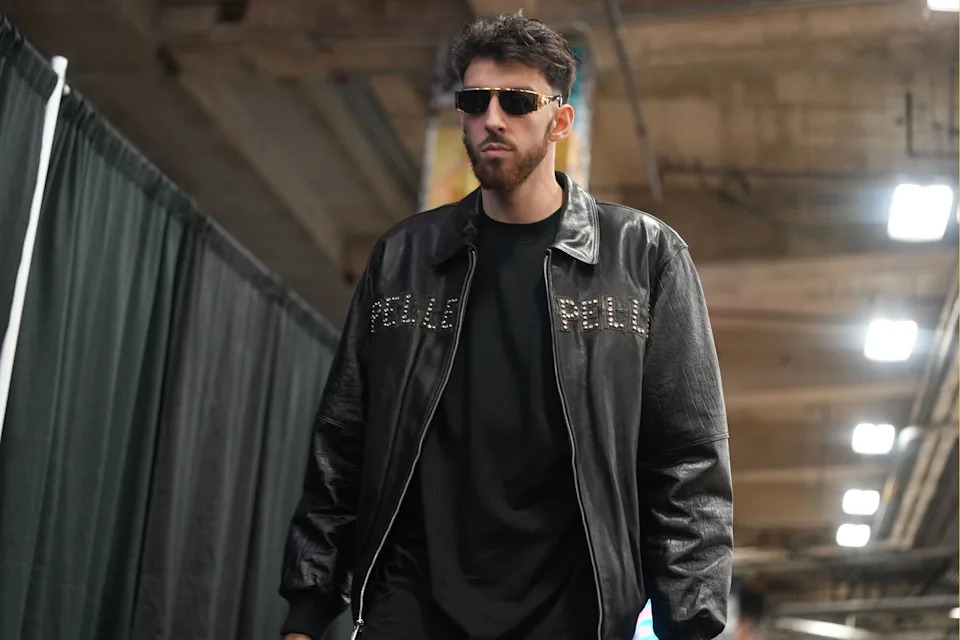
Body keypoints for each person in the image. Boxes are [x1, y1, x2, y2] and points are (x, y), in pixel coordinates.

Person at [279, 12, 733, 640]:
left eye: (517, 101)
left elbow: (687, 461)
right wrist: (308, 609)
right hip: (411, 604)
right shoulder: (405, 257)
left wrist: (690, 625)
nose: (492, 117)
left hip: (571, 611)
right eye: (474, 100)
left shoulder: (642, 256)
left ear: (560, 119)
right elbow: (342, 443)